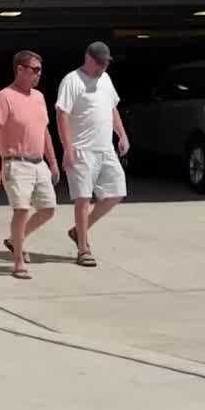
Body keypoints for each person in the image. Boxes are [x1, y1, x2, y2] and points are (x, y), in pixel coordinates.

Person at [55, 41, 130, 268]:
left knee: (116, 192)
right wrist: (67, 149)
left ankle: (79, 230)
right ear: (88, 58)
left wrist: (122, 134)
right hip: (81, 150)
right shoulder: (72, 81)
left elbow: (112, 108)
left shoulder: (105, 79)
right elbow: (62, 115)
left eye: (106, 63)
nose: (103, 67)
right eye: (100, 63)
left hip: (105, 148)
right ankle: (83, 249)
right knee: (83, 199)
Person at [0, 50, 60, 280]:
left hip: (39, 164)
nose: (39, 74)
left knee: (48, 209)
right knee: (21, 210)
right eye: (35, 69)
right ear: (20, 69)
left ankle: (14, 240)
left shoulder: (38, 97)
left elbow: (44, 131)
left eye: (40, 70)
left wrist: (53, 163)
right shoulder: (4, 97)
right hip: (15, 163)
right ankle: (18, 260)